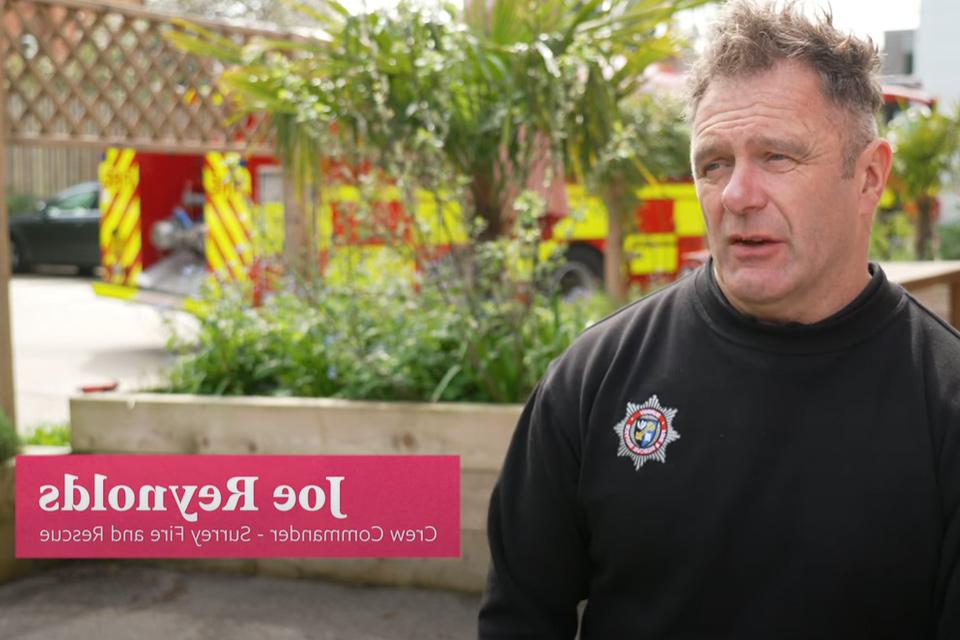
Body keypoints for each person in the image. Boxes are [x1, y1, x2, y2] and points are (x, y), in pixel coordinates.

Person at [477, 1, 960, 638]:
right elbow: (519, 617)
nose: (736, 195)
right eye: (714, 163)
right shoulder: (594, 378)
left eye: (777, 157)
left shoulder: (946, 403)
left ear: (869, 175)